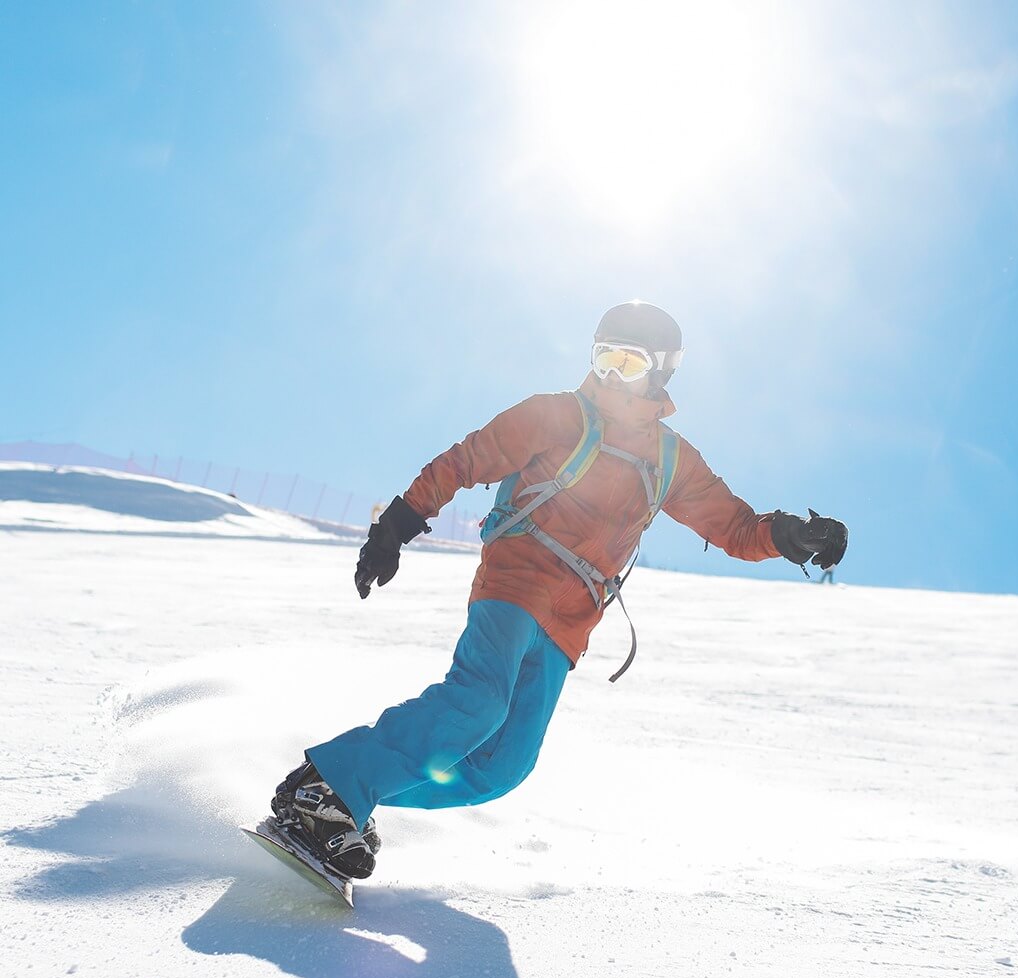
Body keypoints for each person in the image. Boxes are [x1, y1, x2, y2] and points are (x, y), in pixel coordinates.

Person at [269, 301, 849, 879]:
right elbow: (465, 461)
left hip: (572, 619)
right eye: (605, 358)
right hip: (518, 578)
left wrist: (791, 535)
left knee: (502, 766)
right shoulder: (557, 415)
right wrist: (396, 525)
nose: (611, 375)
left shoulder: (671, 458)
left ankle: (351, 795)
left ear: (662, 372)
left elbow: (735, 527)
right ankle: (329, 788)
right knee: (479, 702)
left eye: (629, 362)